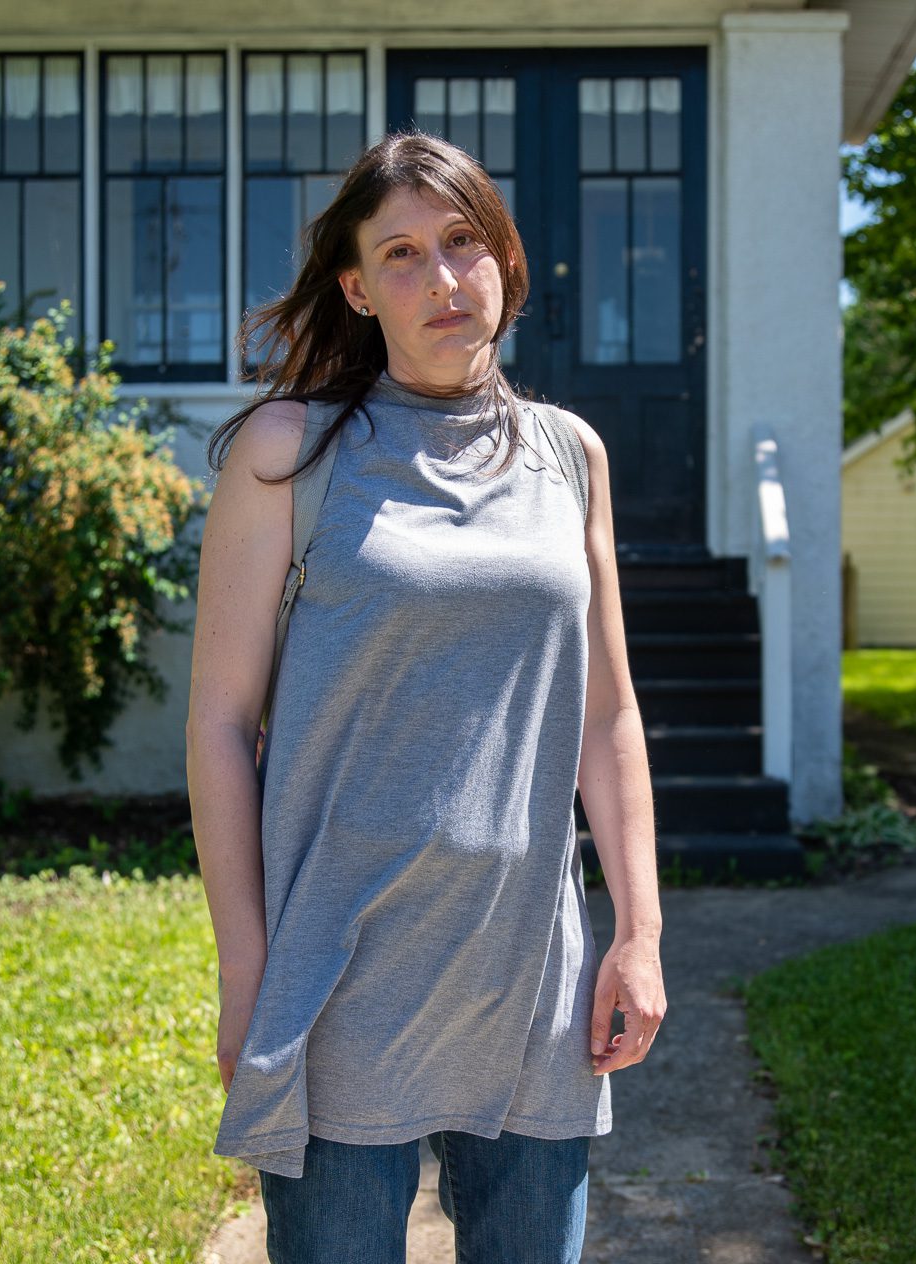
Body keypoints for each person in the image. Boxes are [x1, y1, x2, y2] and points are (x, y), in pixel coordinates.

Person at [184, 128, 667, 1263]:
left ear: (502, 254)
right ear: (355, 287)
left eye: (462, 241)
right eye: (400, 254)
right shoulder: (287, 453)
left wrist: (637, 933)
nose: (444, 279)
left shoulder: (569, 455)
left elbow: (607, 714)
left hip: (529, 976)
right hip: (338, 978)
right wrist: (245, 968)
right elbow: (217, 722)